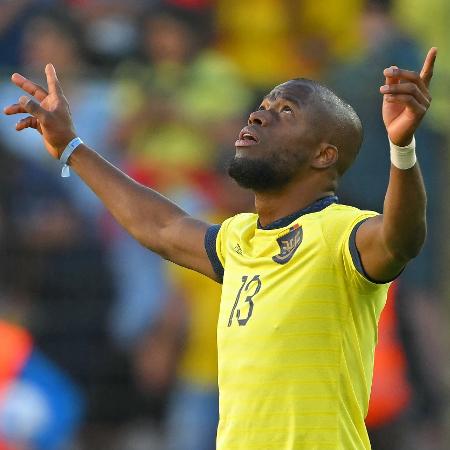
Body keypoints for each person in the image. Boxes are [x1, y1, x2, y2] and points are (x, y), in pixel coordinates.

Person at [3, 47, 437, 449]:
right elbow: (161, 225)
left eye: (285, 111)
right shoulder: (239, 238)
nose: (259, 116)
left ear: (323, 155)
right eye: (263, 106)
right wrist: (71, 148)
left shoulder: (341, 231)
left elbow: (401, 237)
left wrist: (402, 149)